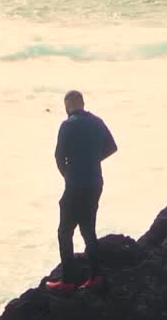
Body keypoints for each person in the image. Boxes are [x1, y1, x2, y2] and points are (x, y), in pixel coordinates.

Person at [45, 90, 117, 291]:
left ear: (68, 105)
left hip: (76, 184)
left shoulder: (67, 125)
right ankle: (95, 276)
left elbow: (59, 157)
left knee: (65, 231)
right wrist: (93, 160)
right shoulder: (97, 122)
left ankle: (68, 280)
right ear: (83, 104)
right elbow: (112, 147)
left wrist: (68, 175)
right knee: (88, 229)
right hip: (95, 182)